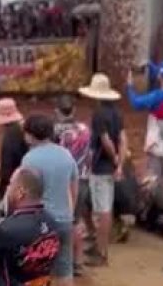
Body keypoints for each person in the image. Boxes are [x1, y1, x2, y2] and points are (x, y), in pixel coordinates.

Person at [0, 167, 60, 286]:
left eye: (10, 184)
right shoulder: (52, 222)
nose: (8, 189)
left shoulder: (8, 229)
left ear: (20, 192)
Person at [21, 114, 79, 285]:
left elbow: (27, 193)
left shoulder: (30, 159)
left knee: (36, 272)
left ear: (31, 134)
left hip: (40, 223)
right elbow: (74, 186)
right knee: (65, 271)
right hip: (64, 219)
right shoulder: (66, 154)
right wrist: (70, 212)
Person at [78, 73, 127, 267]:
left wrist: (115, 160)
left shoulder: (99, 115)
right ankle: (99, 245)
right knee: (102, 206)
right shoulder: (117, 112)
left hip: (101, 167)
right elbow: (123, 138)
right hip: (108, 167)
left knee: (102, 210)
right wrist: (120, 163)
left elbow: (106, 140)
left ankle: (101, 251)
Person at [53, 95, 91, 277]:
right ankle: (78, 261)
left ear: (57, 111)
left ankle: (58, 260)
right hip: (82, 178)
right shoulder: (85, 129)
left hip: (60, 181)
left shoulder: (54, 131)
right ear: (74, 110)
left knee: (56, 220)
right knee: (76, 220)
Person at [126, 62, 163, 178]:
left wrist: (129, 86)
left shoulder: (158, 96)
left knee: (154, 184)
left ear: (160, 76)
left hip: (156, 146)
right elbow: (158, 74)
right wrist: (149, 65)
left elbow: (136, 103)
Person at [0, 97, 28, 202]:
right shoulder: (25, 127)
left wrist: (2, 195)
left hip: (17, 183)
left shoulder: (9, 136)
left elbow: (7, 168)